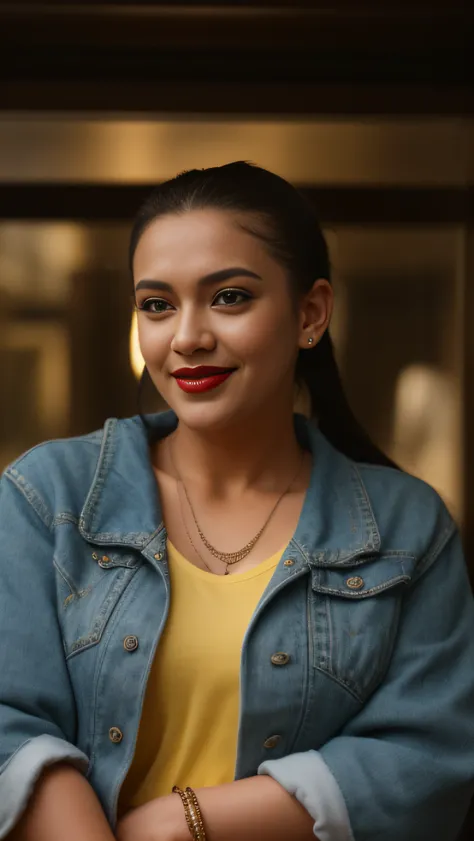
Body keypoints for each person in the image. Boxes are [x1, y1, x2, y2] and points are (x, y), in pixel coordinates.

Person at [1, 162, 473, 841]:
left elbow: (430, 756)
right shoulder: (48, 498)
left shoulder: (407, 527)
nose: (187, 336)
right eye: (157, 305)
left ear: (310, 313)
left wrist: (185, 820)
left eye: (228, 297)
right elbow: (7, 717)